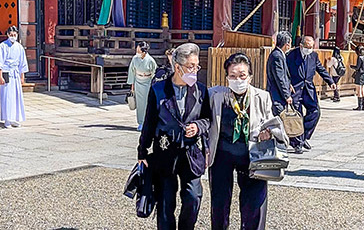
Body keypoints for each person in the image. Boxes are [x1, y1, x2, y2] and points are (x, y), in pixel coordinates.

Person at [203, 53, 285, 230]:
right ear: (226, 77)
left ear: (250, 77)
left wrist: (269, 132)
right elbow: (204, 121)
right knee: (219, 202)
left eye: (242, 76)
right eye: (232, 76)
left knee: (254, 203)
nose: (237, 80)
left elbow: (273, 123)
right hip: (222, 153)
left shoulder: (262, 97)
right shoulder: (215, 95)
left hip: (252, 154)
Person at [138, 44, 212, 230]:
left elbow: (208, 119)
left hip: (191, 152)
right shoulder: (158, 90)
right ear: (177, 67)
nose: (195, 70)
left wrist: (197, 126)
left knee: (194, 197)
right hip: (165, 151)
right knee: (165, 202)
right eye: (191, 67)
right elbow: (149, 122)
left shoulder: (201, 91)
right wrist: (142, 151)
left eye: (197, 66)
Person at [287, 36, 323, 151]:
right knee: (297, 116)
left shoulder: (313, 55)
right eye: (307, 47)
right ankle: (297, 143)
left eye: (311, 47)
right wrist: (288, 84)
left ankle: (304, 137)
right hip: (295, 89)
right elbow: (285, 71)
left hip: (308, 89)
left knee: (315, 112)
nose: (309, 49)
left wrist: (331, 81)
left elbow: (320, 69)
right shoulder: (291, 55)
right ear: (301, 45)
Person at [0, 27, 28, 128]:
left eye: (14, 35)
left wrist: (22, 76)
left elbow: (23, 63)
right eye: (11, 35)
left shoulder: (19, 47)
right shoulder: (3, 46)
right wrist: (0, 76)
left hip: (16, 73)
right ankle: (7, 119)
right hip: (6, 73)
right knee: (7, 97)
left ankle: (15, 118)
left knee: (16, 97)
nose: (13, 37)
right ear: (8, 35)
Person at [129, 44, 160, 127]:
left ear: (143, 51)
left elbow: (154, 74)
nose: (137, 52)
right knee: (140, 104)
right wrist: (132, 85)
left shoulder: (150, 60)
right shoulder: (135, 59)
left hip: (147, 82)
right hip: (138, 81)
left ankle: (148, 121)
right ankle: (141, 122)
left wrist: (154, 85)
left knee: (148, 102)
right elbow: (132, 71)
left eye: (138, 50)